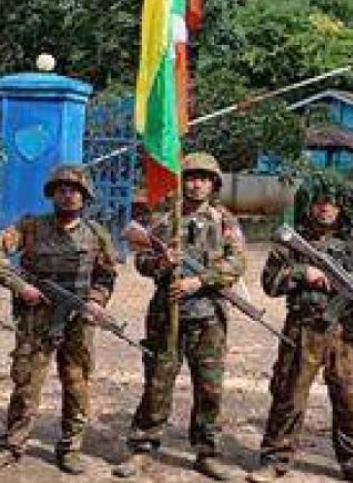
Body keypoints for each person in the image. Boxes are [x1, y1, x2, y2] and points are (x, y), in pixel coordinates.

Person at [0, 164, 120, 475]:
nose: (68, 196)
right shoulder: (30, 227)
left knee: (77, 384)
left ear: (85, 197)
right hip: (36, 320)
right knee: (26, 384)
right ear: (52, 194)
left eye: (75, 191)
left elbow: (106, 275)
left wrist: (95, 301)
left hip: (78, 320)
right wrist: (20, 285)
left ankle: (71, 448)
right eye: (62, 190)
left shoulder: (96, 234)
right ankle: (12, 446)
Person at [113, 152, 246, 481]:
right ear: (181, 181)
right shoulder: (163, 219)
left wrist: (199, 280)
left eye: (203, 178)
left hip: (209, 316)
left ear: (213, 183)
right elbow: (141, 260)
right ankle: (143, 447)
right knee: (158, 382)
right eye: (190, 177)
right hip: (167, 313)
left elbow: (237, 263)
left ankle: (206, 452)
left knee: (209, 388)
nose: (196, 184)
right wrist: (163, 263)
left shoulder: (224, 220)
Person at [246, 180, 353, 483]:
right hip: (302, 329)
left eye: (332, 203)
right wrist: (302, 272)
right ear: (310, 206)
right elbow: (270, 283)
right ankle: (274, 460)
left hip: (344, 334)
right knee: (289, 396)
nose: (326, 208)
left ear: (342, 207)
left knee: (350, 399)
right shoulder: (291, 244)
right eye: (320, 202)